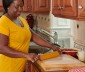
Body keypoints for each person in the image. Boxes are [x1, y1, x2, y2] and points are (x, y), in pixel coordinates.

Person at [0, 0, 60, 72]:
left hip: (19, 68)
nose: (20, 9)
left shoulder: (22, 20)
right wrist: (26, 55)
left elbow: (33, 36)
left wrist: (52, 46)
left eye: (21, 6)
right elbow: (2, 48)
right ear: (8, 6)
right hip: (7, 68)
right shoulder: (3, 22)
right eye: (17, 6)